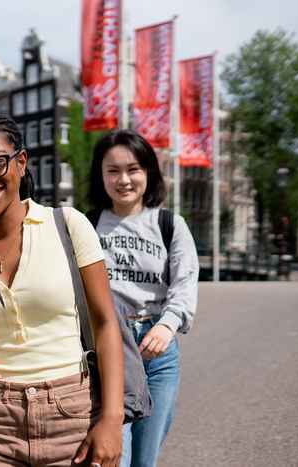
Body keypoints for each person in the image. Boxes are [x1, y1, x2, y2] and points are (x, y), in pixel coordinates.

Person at [0, 116, 124, 467]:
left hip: (73, 412)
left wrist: (112, 420)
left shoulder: (68, 224)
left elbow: (106, 323)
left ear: (21, 162)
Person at [87, 129, 199, 467]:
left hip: (157, 353)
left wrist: (167, 326)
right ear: (100, 175)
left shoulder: (169, 224)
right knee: (110, 455)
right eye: (113, 170)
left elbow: (185, 282)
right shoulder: (86, 225)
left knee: (145, 459)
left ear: (148, 172)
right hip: (107, 348)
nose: (124, 179)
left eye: (133, 169)